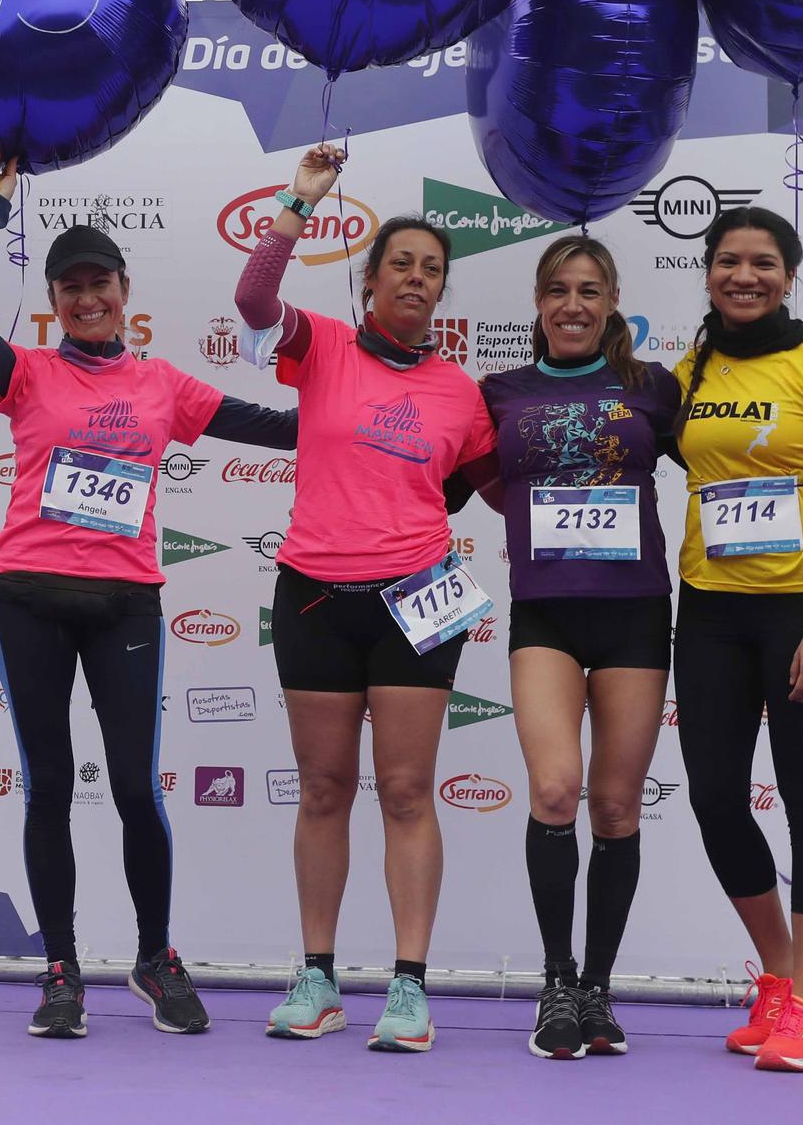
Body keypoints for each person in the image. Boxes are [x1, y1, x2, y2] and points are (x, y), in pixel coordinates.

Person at [0, 153, 298, 1040]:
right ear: (55, 300)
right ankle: (59, 969)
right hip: (28, 599)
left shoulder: (162, 384)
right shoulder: (22, 372)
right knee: (48, 786)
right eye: (70, 287)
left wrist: (358, 412)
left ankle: (153, 957)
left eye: (100, 283)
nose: (87, 298)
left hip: (126, 605)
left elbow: (273, 427)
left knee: (137, 786)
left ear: (125, 291)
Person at [234, 145, 499, 1053]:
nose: (417, 279)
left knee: (406, 790)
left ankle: (410, 986)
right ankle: (316, 977)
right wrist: (297, 202)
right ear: (370, 280)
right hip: (312, 593)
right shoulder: (324, 347)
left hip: (415, 604)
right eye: (401, 265)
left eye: (432, 270)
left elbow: (496, 486)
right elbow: (253, 304)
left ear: (441, 292)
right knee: (321, 790)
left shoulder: (462, 392)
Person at [670, 206, 803, 1073]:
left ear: (788, 276)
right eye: (727, 262)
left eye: (761, 263)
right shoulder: (689, 368)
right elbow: (697, 468)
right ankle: (780, 979)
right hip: (709, 612)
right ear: (709, 272)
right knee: (716, 800)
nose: (742, 276)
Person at [481, 236, 681, 1059]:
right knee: (558, 789)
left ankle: (598, 989)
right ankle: (556, 980)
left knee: (616, 807)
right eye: (559, 289)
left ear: (611, 304)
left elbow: (720, 462)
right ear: (538, 302)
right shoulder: (500, 391)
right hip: (547, 616)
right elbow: (455, 476)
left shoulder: (652, 388)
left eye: (589, 291)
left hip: (635, 611)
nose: (573, 304)